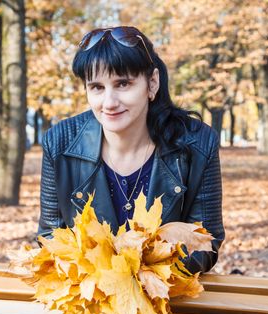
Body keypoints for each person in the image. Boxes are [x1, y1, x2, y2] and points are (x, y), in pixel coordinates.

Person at [37, 26, 224, 274]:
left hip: (168, 300)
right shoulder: (59, 144)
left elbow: (205, 242)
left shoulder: (197, 143)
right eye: (97, 87)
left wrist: (139, 269)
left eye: (123, 83)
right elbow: (51, 237)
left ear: (152, 83)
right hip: (92, 301)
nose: (109, 103)